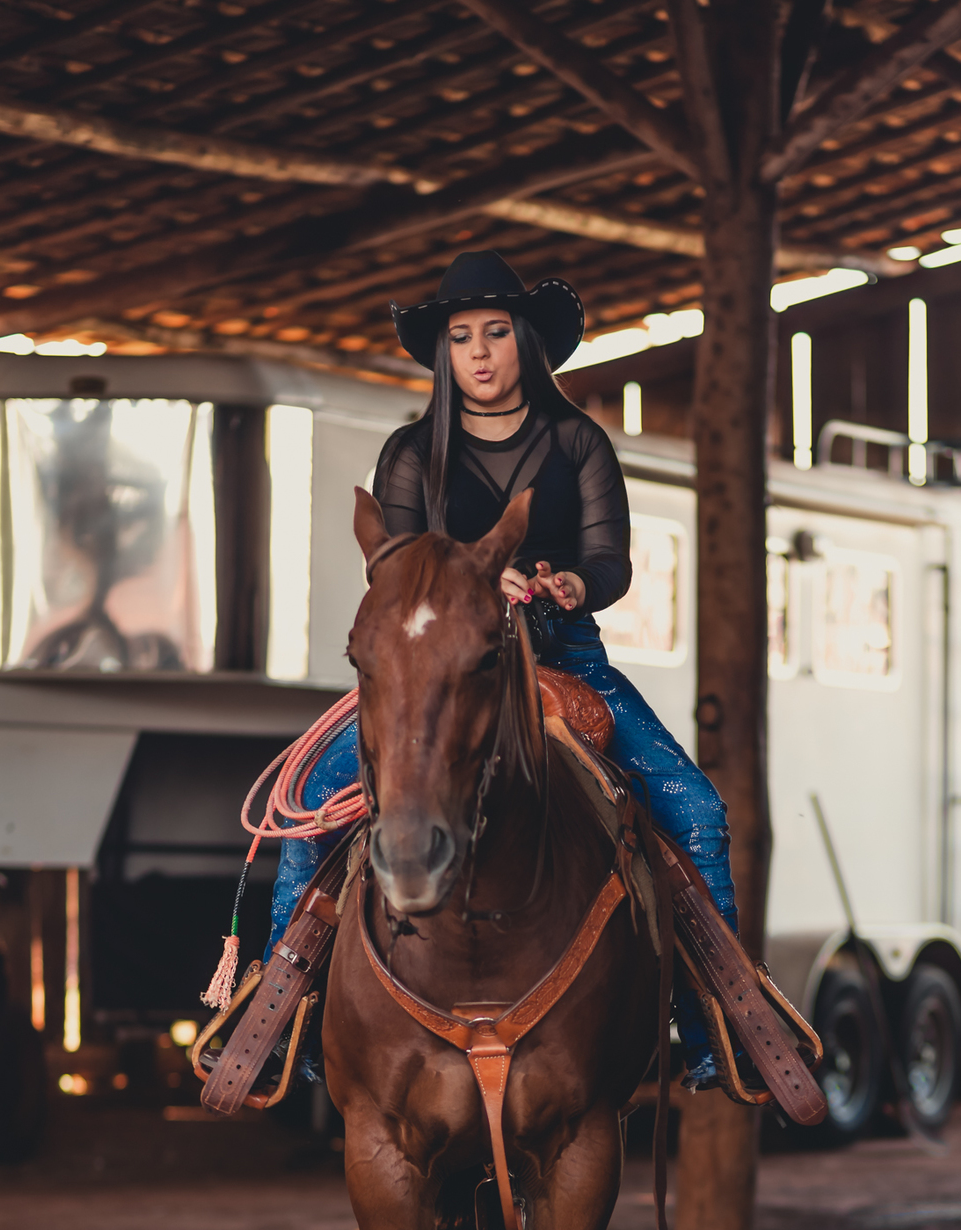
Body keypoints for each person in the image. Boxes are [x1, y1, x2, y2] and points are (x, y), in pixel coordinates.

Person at [267, 250, 735, 1088]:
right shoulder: (412, 453)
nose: (478, 353)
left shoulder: (579, 441)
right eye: (460, 338)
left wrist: (572, 582)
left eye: (494, 333)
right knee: (308, 811)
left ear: (526, 341)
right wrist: (480, 577)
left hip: (567, 656)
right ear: (444, 354)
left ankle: (713, 1031)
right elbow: (400, 565)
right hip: (437, 668)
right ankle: (279, 1020)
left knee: (696, 810)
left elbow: (611, 560)